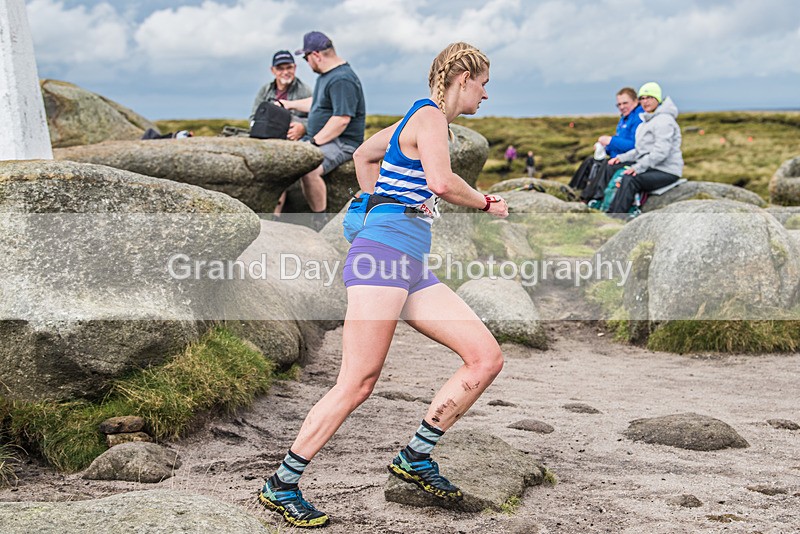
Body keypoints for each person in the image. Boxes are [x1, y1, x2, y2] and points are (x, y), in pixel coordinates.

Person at [256, 42, 508, 528]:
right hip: (383, 257)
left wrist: (374, 198)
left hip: (408, 261)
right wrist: (486, 203)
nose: (485, 94)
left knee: (485, 357)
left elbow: (367, 154)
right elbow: (441, 182)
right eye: (483, 84)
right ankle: (281, 484)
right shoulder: (430, 116)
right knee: (358, 381)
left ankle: (415, 456)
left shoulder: (419, 119)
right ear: (461, 76)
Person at [273, 31, 366, 228]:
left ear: (316, 55)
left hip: (342, 142)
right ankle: (275, 218)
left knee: (309, 168)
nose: (307, 62)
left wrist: (313, 144)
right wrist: (288, 105)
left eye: (306, 58)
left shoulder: (342, 79)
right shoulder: (327, 76)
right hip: (325, 138)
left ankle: (319, 220)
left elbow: (341, 120)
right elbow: (317, 104)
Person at [606, 82, 683, 215]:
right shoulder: (647, 121)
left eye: (649, 97)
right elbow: (640, 149)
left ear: (657, 99)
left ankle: (616, 218)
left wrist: (637, 168)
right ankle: (610, 212)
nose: (645, 101)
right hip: (653, 167)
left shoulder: (664, 121)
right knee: (624, 174)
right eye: (642, 98)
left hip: (668, 170)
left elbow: (661, 153)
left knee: (631, 179)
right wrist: (620, 158)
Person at [570, 87, 643, 200]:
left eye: (625, 103)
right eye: (619, 104)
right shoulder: (624, 118)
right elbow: (619, 145)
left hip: (631, 159)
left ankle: (590, 198)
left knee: (607, 165)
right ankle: (572, 190)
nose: (622, 107)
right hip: (618, 157)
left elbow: (635, 146)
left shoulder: (639, 118)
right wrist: (606, 147)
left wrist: (611, 141)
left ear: (635, 101)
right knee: (590, 161)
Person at [249, 50, 313, 141]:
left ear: (294, 68)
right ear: (273, 70)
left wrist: (304, 127)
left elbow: (317, 117)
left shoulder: (306, 91)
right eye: (280, 68)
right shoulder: (265, 90)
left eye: (289, 68)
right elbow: (253, 117)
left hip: (293, 139)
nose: (285, 72)